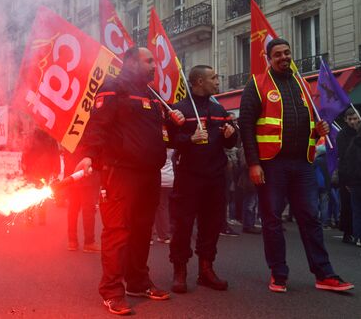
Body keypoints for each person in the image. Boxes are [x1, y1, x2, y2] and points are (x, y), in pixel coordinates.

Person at [75, 47, 184, 315]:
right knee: (117, 232)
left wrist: (175, 123)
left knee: (142, 231)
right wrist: (88, 155)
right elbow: (97, 125)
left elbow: (159, 133)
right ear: (132, 62)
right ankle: (112, 292)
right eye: (149, 61)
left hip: (149, 174)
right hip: (121, 172)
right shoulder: (113, 87)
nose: (153, 66)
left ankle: (137, 282)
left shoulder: (153, 95)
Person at [239, 38, 354, 292]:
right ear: (269, 58)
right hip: (271, 165)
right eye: (277, 54)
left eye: (287, 53)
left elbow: (311, 121)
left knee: (311, 219)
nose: (283, 57)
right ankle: (278, 274)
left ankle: (324, 274)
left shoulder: (302, 84)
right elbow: (246, 126)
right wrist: (253, 163)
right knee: (272, 220)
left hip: (303, 163)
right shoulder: (256, 85)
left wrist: (319, 129)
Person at [167, 65, 237, 294]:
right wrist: (190, 138)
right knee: (183, 225)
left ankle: (206, 269)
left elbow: (230, 142)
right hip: (188, 177)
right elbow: (170, 141)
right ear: (198, 82)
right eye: (213, 78)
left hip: (215, 177)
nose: (218, 81)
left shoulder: (219, 109)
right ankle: (180, 270)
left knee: (212, 225)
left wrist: (231, 135)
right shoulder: (179, 110)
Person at [64, 145, 101, 253]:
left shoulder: (67, 133)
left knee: (73, 210)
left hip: (72, 174)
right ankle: (89, 242)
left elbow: (67, 154)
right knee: (88, 210)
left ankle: (72, 241)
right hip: (87, 174)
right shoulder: (91, 133)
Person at [21, 128, 60, 225]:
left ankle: (33, 217)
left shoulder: (47, 138)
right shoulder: (50, 137)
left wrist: (25, 168)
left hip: (37, 170)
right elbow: (56, 155)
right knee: (40, 193)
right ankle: (38, 218)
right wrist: (56, 170)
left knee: (33, 193)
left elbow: (55, 155)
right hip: (40, 170)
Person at [336, 107, 360, 243]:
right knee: (347, 204)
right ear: (345, 120)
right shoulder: (342, 135)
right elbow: (344, 157)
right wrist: (346, 179)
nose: (353, 122)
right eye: (350, 119)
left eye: (355, 118)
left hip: (358, 173)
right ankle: (347, 232)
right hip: (347, 174)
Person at [343, 123, 361, 246]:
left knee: (356, 210)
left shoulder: (353, 144)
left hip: (354, 181)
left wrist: (348, 181)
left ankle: (358, 237)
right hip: (355, 181)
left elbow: (348, 163)